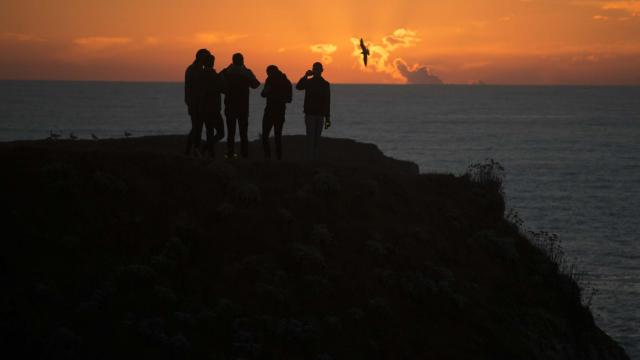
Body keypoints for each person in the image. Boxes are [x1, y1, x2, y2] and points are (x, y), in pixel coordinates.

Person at [221, 53, 260, 159]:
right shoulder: (246, 72)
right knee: (243, 133)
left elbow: (220, 87)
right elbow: (256, 84)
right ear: (242, 60)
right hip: (243, 107)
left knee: (231, 132)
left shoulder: (226, 72)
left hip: (230, 106)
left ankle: (230, 154)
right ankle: (244, 155)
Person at [296, 62, 331, 161]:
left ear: (321, 70)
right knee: (313, 138)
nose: (316, 71)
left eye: (317, 69)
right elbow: (298, 87)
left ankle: (312, 159)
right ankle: (311, 159)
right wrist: (305, 76)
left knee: (313, 138)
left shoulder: (322, 84)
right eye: (315, 69)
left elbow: (327, 101)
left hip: (316, 114)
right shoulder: (316, 83)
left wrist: (327, 117)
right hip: (314, 114)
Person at [261, 65, 292, 160]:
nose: (268, 75)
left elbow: (263, 94)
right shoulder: (286, 82)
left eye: (268, 73)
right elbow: (289, 99)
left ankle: (268, 157)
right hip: (279, 112)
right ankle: (277, 158)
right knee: (277, 137)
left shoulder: (270, 80)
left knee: (266, 135)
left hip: (271, 111)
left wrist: (273, 95)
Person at [184, 48, 211, 156]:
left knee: (196, 127)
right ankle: (195, 150)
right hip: (195, 103)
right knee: (197, 128)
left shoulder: (196, 69)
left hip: (198, 103)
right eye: (206, 57)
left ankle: (191, 150)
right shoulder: (194, 70)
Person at [200, 53, 226, 157]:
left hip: (204, 107)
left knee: (209, 131)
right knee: (221, 133)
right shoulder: (215, 76)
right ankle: (206, 148)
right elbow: (223, 89)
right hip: (214, 108)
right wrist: (222, 77)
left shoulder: (201, 75)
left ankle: (210, 152)